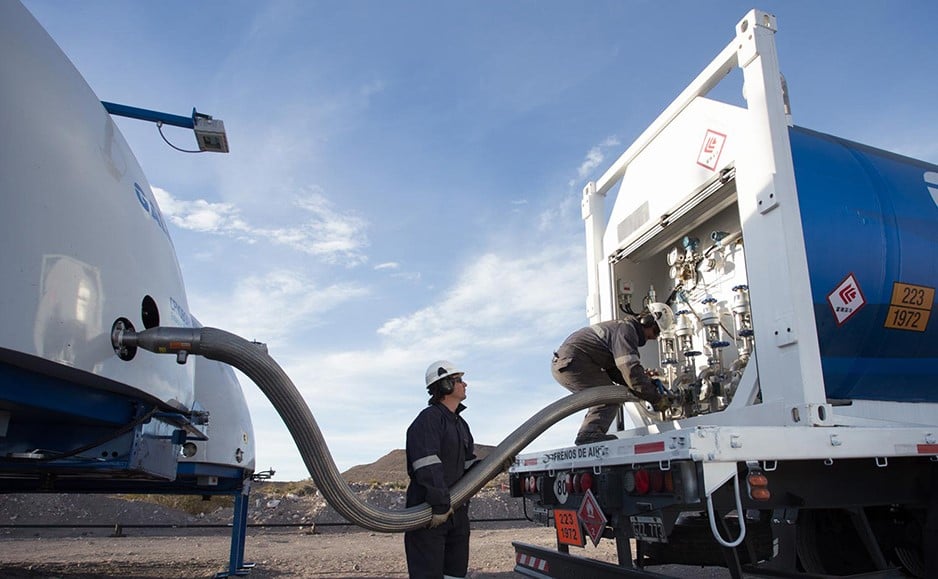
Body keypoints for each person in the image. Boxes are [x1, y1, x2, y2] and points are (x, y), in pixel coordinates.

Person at [404, 360, 478, 579]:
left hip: (457, 513)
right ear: (445, 386)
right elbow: (427, 464)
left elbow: (467, 466)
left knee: (455, 574)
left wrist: (495, 464)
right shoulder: (429, 420)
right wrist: (439, 505)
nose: (465, 384)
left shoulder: (461, 425)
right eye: (459, 380)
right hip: (429, 514)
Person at [551, 313, 670, 445]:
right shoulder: (626, 331)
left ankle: (590, 433)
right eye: (656, 331)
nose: (654, 337)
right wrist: (656, 398)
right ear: (645, 322)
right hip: (574, 363)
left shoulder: (620, 330)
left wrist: (647, 385)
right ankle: (589, 435)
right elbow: (630, 369)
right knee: (609, 396)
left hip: (570, 363)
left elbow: (616, 372)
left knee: (609, 395)